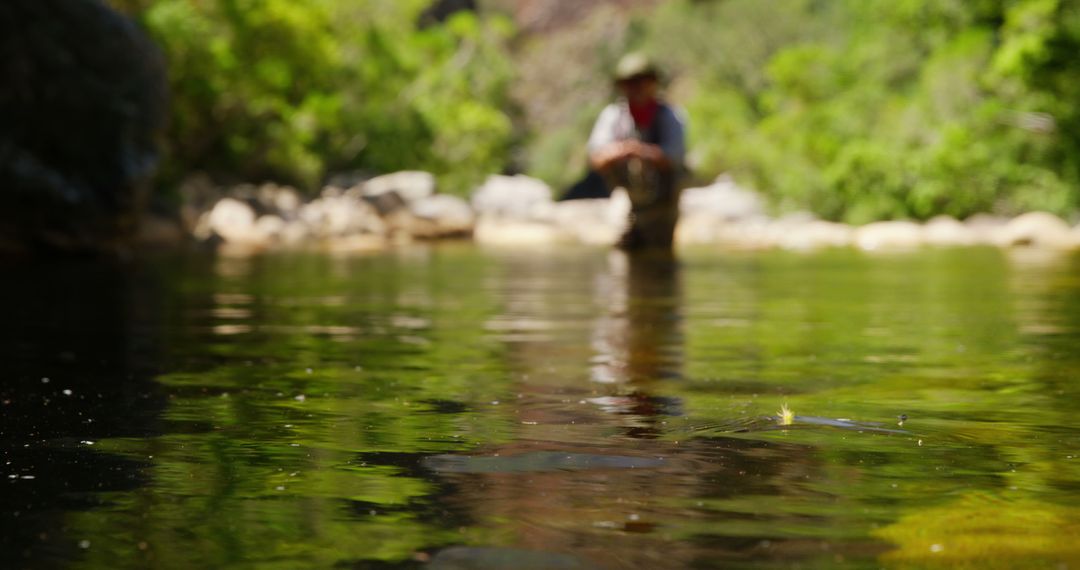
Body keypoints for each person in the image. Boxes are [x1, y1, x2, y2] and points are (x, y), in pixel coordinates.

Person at [587, 53, 686, 250]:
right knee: (622, 247)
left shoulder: (671, 116)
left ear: (653, 83)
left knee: (660, 253)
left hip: (664, 201)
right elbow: (596, 158)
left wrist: (641, 151)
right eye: (630, 82)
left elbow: (674, 157)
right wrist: (623, 150)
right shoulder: (612, 116)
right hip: (625, 196)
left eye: (642, 81)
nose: (636, 87)